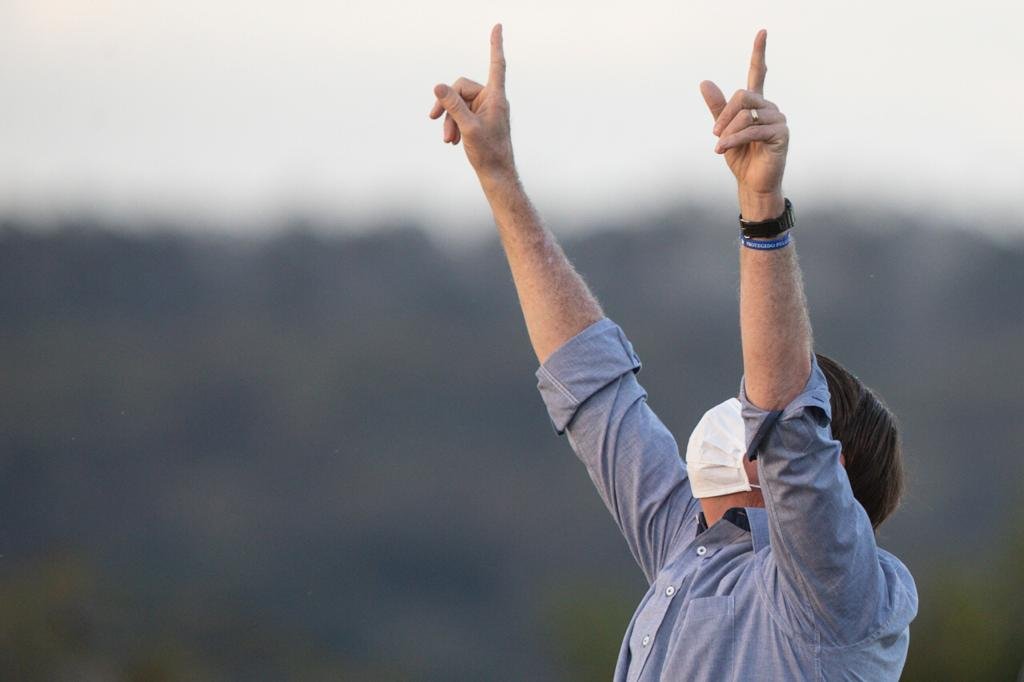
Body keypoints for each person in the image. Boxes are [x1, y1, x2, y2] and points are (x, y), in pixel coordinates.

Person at [428, 25, 918, 680]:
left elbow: (786, 413)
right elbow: (593, 387)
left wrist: (762, 208)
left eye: (763, 411)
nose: (743, 411)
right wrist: (499, 176)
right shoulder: (688, 545)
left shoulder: (836, 591)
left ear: (833, 468)